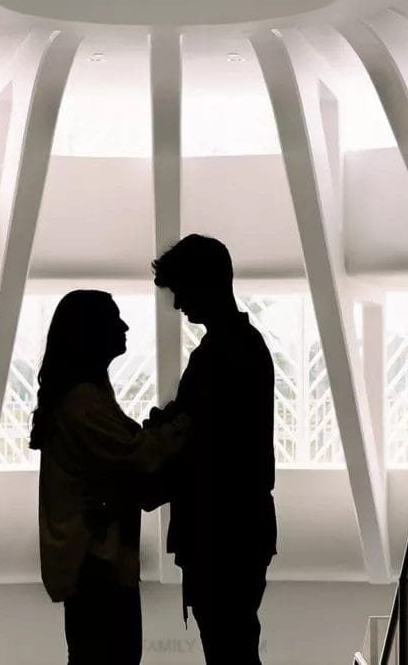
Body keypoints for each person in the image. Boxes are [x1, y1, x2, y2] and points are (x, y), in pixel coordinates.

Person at [30, 289, 189, 665]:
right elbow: (137, 454)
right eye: (114, 318)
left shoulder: (82, 396)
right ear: (90, 333)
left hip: (92, 559)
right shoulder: (84, 401)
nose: (124, 325)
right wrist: (184, 424)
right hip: (96, 561)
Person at [146, 234, 277, 665]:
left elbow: (209, 446)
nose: (178, 304)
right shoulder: (240, 347)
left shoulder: (222, 353)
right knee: (233, 645)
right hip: (235, 528)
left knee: (227, 647)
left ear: (205, 283)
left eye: (181, 290)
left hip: (220, 530)